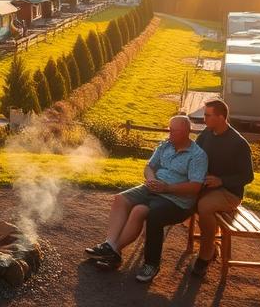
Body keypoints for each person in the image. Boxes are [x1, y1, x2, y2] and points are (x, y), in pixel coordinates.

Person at [85, 115, 207, 283]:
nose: (169, 133)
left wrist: (167, 188)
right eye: (169, 129)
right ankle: (110, 245)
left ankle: (149, 263)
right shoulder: (165, 145)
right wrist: (151, 180)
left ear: (186, 132)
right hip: (154, 188)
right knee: (120, 199)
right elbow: (149, 166)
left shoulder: (197, 155)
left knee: (143, 211)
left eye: (173, 130)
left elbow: (195, 187)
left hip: (177, 200)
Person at [190, 98, 255, 277]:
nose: (204, 119)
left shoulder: (239, 144)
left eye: (207, 116)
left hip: (229, 193)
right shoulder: (206, 135)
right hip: (207, 187)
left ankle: (205, 255)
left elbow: (247, 176)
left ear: (221, 117)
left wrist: (221, 181)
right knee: (181, 196)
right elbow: (194, 155)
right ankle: (211, 243)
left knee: (204, 206)